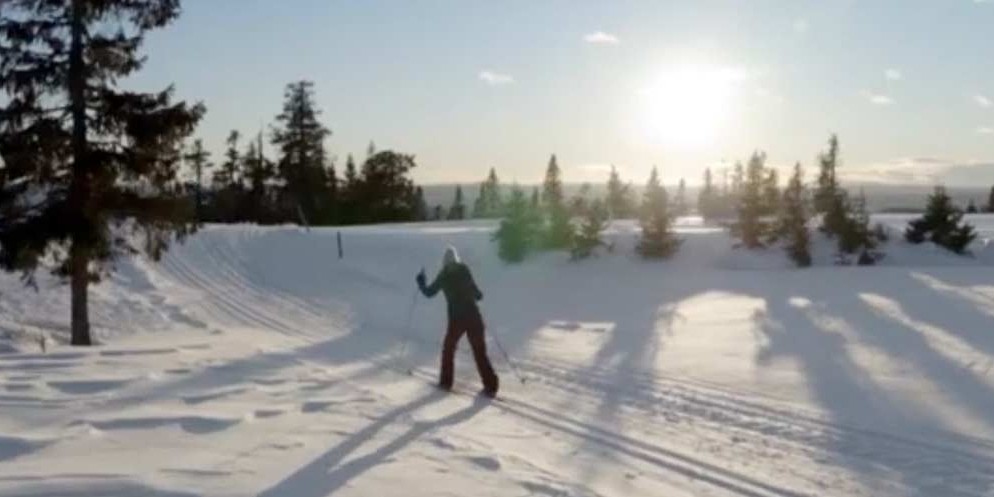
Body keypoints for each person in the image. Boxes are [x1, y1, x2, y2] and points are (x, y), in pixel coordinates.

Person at [416, 246, 499, 397]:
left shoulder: (444, 275)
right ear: (456, 258)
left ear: (444, 261)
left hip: (457, 320)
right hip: (474, 316)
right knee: (479, 351)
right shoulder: (464, 269)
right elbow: (475, 291)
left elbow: (429, 293)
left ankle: (446, 382)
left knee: (449, 349)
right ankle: (491, 385)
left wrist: (421, 282)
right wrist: (478, 295)